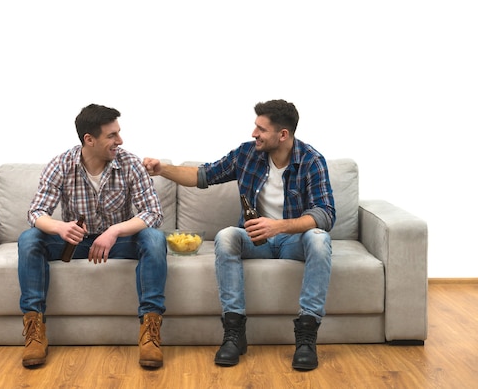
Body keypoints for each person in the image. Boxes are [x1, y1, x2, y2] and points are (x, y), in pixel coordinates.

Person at [143, 99, 335, 371]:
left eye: (261, 129)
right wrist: (163, 169)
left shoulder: (311, 160)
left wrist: (277, 226)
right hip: (256, 241)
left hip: (294, 242)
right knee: (226, 236)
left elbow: (325, 215)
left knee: (319, 238)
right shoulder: (247, 154)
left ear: (283, 135)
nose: (254, 134)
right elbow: (203, 175)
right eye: (255, 127)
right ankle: (234, 333)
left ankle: (306, 338)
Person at [18, 104, 167, 369]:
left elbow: (153, 213)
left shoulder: (130, 163)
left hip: (116, 243)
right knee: (30, 239)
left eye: (118, 133)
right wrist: (59, 227)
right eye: (112, 135)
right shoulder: (61, 164)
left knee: (154, 239)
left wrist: (115, 231)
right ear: (89, 139)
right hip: (75, 242)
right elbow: (36, 212)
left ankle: (150, 332)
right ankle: (34, 330)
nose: (119, 141)